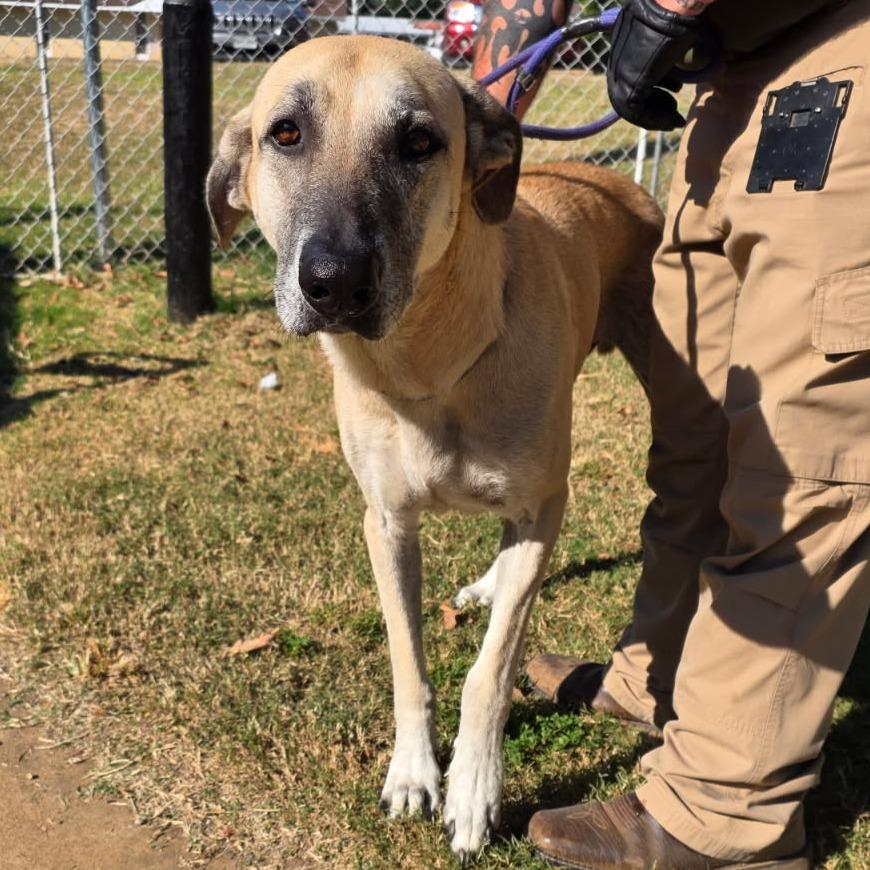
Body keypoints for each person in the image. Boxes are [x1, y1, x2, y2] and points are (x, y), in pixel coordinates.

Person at [473, 0, 870, 867]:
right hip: (720, 90)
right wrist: (476, 124)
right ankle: (657, 678)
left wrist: (669, 5)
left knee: (798, 461)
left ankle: (728, 811)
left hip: (849, 48)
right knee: (694, 438)